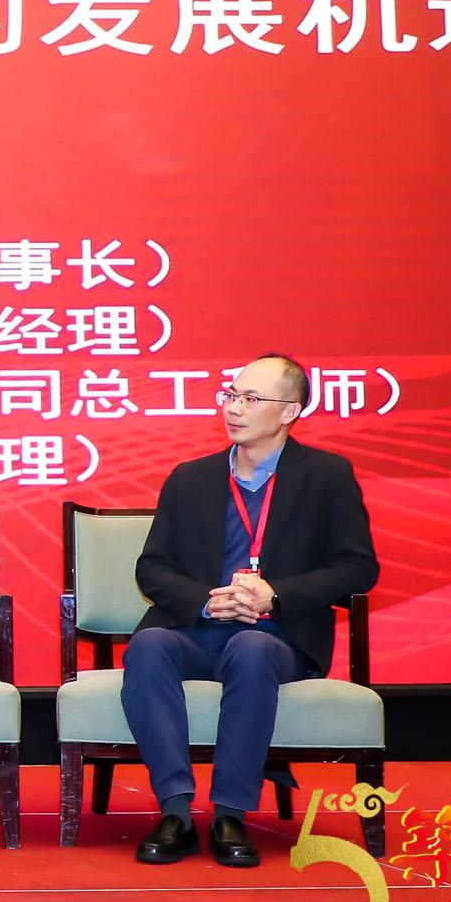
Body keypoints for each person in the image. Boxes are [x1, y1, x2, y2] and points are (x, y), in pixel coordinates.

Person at [124, 354, 379, 867]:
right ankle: (175, 810)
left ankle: (230, 813)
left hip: (277, 635)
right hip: (197, 628)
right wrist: (205, 600)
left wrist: (275, 594)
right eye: (231, 396)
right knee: (148, 645)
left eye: (250, 398)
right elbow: (152, 568)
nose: (233, 408)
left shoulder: (326, 476)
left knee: (251, 648)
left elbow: (358, 568)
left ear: (288, 412)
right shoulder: (191, 478)